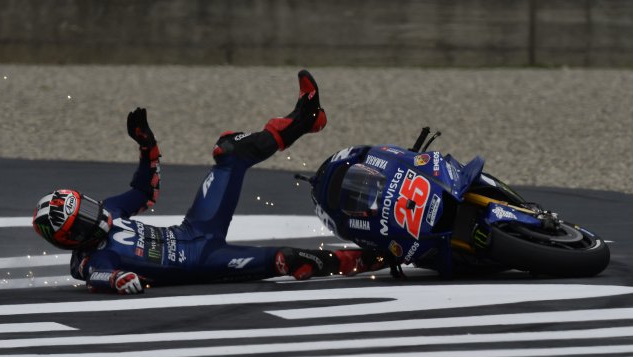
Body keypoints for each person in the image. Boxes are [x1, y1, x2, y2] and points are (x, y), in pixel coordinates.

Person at [32, 70, 385, 294]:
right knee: (288, 259)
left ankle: (305, 119)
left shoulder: (109, 210)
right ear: (71, 240)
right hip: (206, 261)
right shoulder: (91, 262)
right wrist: (118, 280)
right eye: (83, 220)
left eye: (87, 206)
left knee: (229, 151)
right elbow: (97, 277)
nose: (95, 215)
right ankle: (376, 258)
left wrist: (147, 147)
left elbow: (143, 192)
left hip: (195, 228)